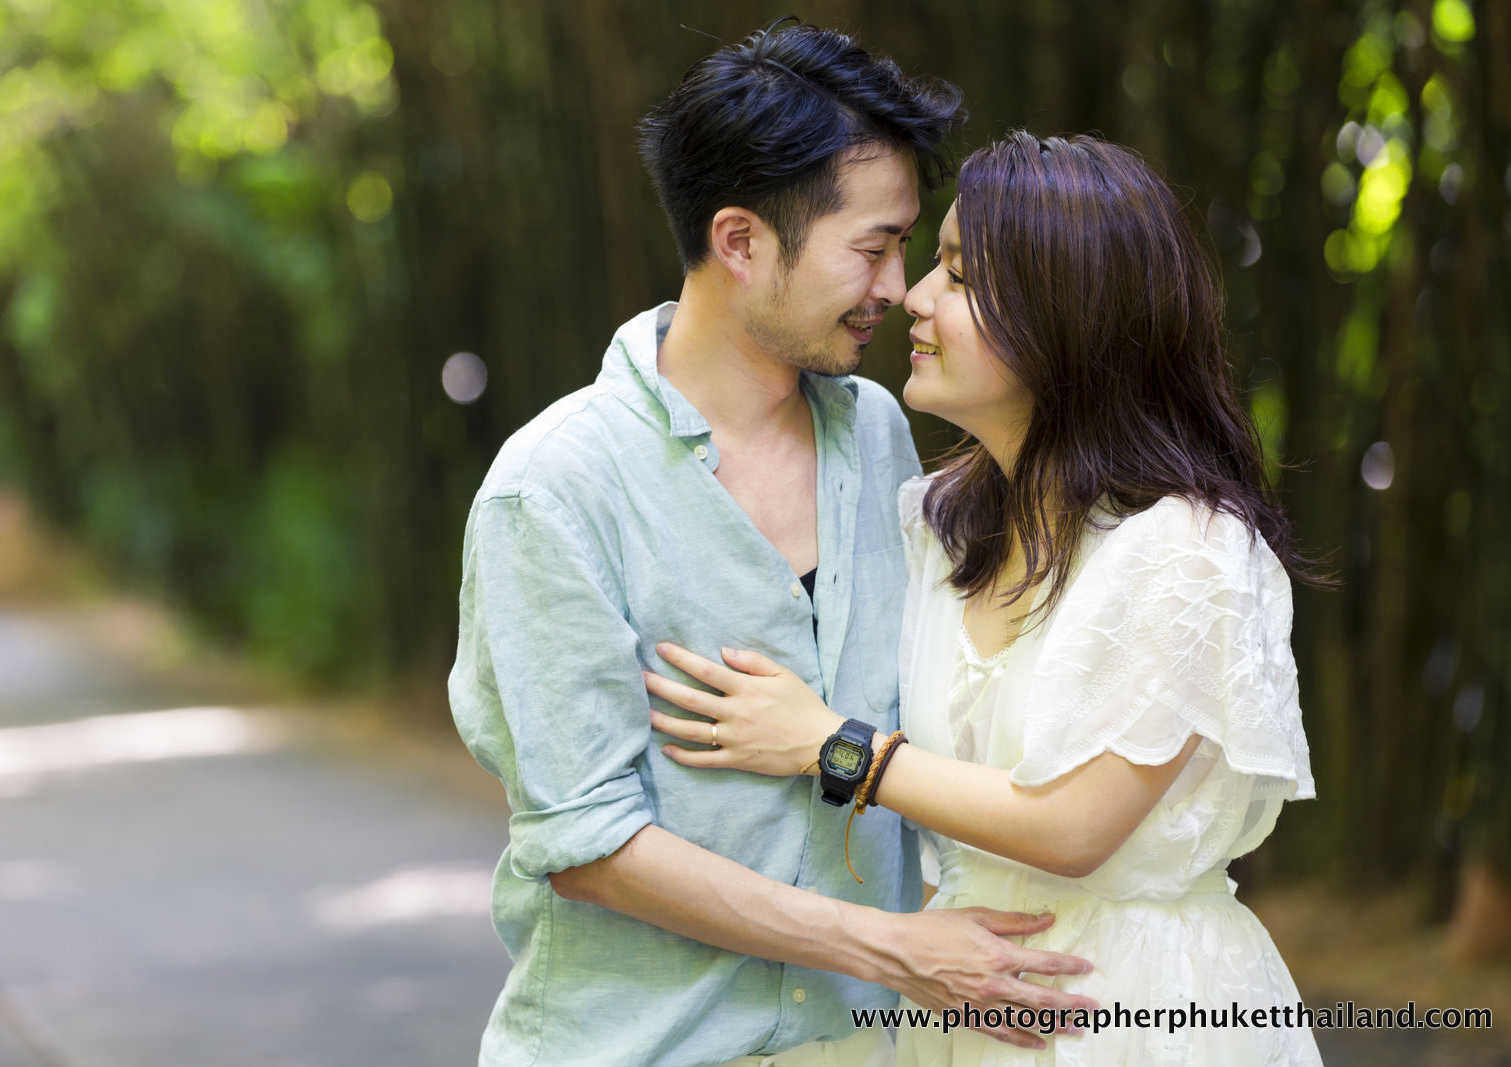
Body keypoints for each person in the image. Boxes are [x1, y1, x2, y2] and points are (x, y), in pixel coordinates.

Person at [449, 26, 1097, 1067]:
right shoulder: (555, 487)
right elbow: (589, 845)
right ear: (741, 242)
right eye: (873, 249)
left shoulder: (879, 433)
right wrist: (891, 945)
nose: (899, 288)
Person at [647, 132, 1326, 1065]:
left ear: (1067, 315)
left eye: (959, 277)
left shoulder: (1186, 550)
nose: (913, 296)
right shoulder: (938, 525)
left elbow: (1073, 827)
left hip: (1129, 1010)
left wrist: (831, 743)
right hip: (959, 1000)